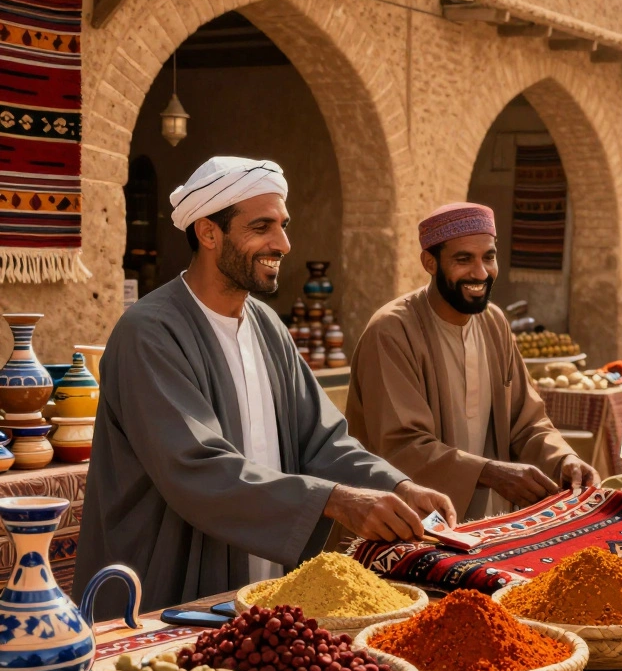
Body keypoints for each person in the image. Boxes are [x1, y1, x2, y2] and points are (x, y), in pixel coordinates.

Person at [74, 157, 456, 614]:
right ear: (209, 233)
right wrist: (335, 501)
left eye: (283, 225)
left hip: (264, 583)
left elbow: (321, 440)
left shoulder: (267, 325)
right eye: (262, 227)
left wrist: (397, 487)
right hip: (167, 584)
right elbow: (196, 468)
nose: (283, 243)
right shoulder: (150, 332)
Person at [346, 203, 598, 522]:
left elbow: (526, 421)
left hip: (488, 523)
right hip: (408, 524)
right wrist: (489, 473)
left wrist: (564, 460)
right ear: (430, 262)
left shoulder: (494, 322)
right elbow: (402, 446)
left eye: (488, 257)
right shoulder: (392, 331)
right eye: (463, 259)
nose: (480, 273)